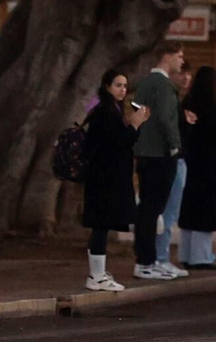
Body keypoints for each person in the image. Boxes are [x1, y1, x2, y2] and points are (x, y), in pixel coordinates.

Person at [82, 69, 151, 291]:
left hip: (105, 177)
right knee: (101, 225)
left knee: (102, 225)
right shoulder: (106, 112)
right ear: (107, 86)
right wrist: (135, 124)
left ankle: (98, 273)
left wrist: (134, 125)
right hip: (104, 179)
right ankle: (97, 276)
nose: (122, 90)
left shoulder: (111, 109)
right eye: (118, 85)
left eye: (124, 86)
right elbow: (119, 143)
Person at [131, 40, 186, 280]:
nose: (181, 61)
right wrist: (174, 145)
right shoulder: (163, 86)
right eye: (179, 56)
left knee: (147, 209)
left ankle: (148, 259)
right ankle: (146, 262)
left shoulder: (144, 84)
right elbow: (165, 118)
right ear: (166, 57)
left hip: (144, 152)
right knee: (154, 209)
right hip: (160, 154)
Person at [179, 66, 216, 269]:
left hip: (190, 162)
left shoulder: (188, 102)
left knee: (190, 209)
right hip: (209, 166)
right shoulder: (209, 107)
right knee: (206, 211)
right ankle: (201, 257)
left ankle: (186, 254)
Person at [154, 66, 194, 277]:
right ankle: (159, 258)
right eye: (181, 71)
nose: (186, 77)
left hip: (175, 161)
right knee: (166, 214)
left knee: (167, 214)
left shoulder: (177, 101)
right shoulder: (169, 101)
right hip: (171, 162)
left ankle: (159, 257)